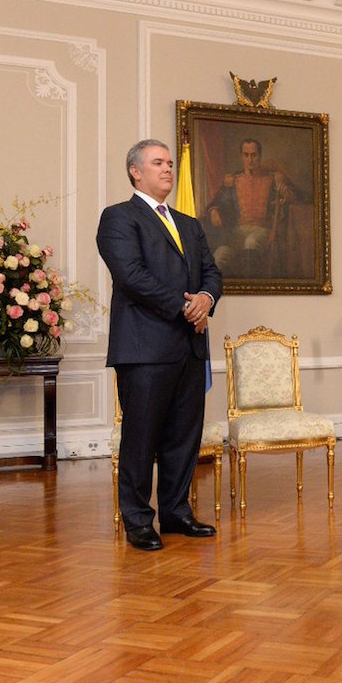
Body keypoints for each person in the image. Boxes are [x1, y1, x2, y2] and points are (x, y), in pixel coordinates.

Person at [96, 139, 223, 551]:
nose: (167, 168)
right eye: (158, 162)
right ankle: (137, 520)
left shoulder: (190, 223)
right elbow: (131, 275)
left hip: (190, 347)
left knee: (183, 436)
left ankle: (176, 512)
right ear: (136, 171)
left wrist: (206, 298)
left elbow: (212, 273)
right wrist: (185, 307)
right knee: (142, 436)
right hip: (144, 348)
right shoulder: (118, 218)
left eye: (169, 162)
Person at [203, 138, 307, 279]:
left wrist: (288, 194)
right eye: (246, 155)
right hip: (236, 233)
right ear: (241, 157)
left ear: (260, 156)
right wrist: (213, 210)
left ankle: (250, 288)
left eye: (254, 155)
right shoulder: (233, 181)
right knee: (219, 257)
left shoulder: (274, 179)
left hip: (263, 232)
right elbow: (215, 202)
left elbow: (302, 197)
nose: (250, 160)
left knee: (251, 241)